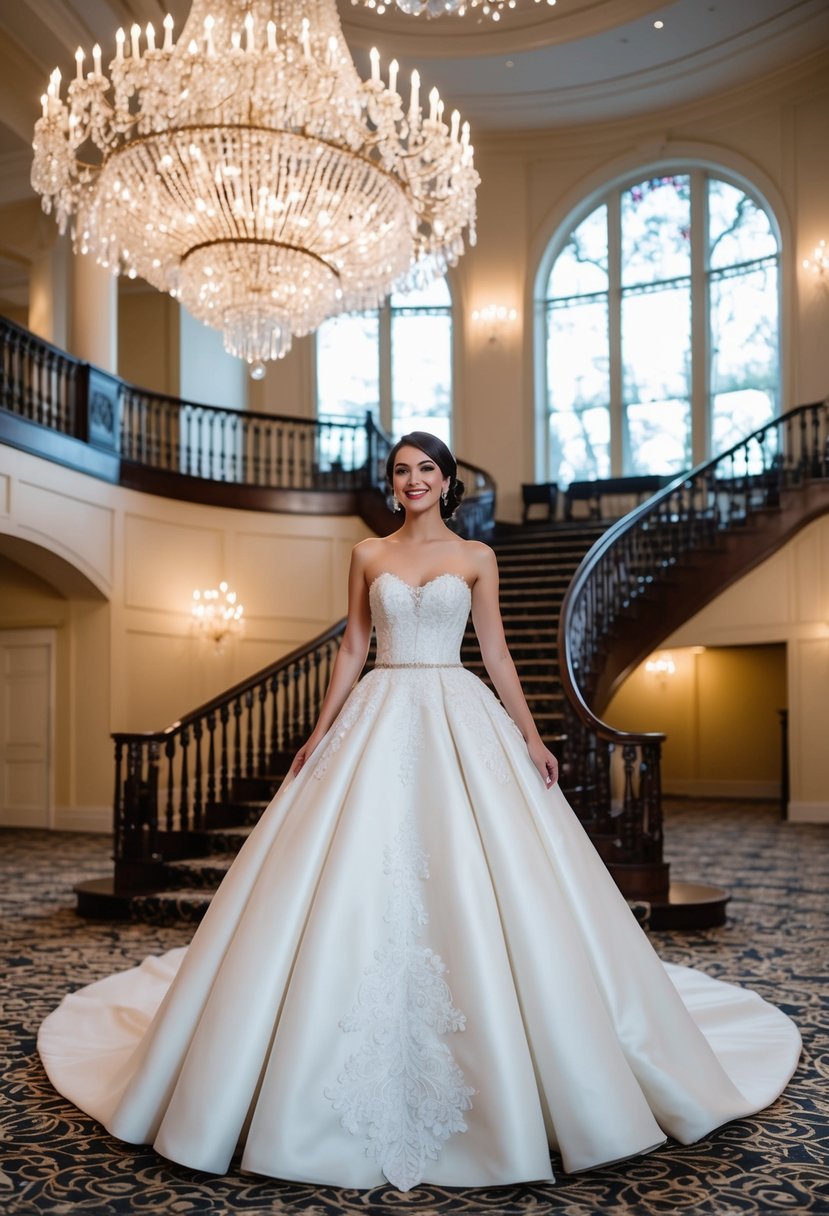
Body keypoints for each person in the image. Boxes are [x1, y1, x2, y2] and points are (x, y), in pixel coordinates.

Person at [38, 432, 800, 1194]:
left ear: (446, 481)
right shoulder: (368, 554)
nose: (411, 481)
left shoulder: (477, 558)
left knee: (476, 874)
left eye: (424, 470)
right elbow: (351, 649)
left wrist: (530, 737)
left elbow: (496, 651)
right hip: (378, 707)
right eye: (400, 471)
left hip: (455, 709)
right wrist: (318, 732)